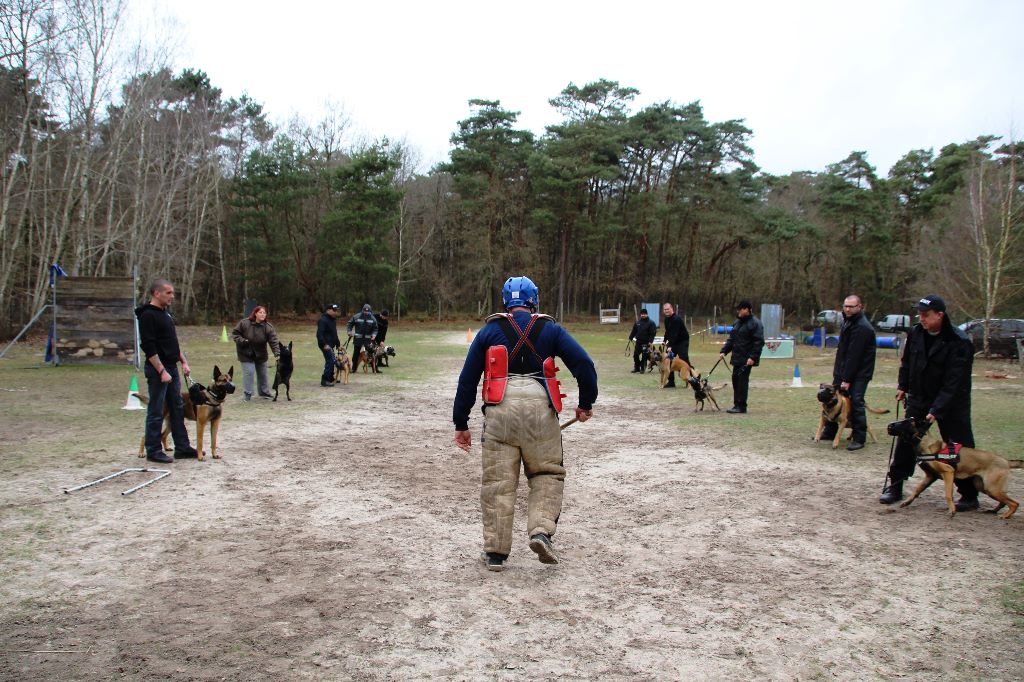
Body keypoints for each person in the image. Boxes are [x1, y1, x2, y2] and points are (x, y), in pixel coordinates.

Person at [453, 276, 598, 572]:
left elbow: (467, 381)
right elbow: (584, 365)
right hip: (540, 410)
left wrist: (461, 423)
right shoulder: (551, 329)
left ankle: (495, 553)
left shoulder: (488, 331)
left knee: (497, 483)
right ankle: (541, 532)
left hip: (499, 409)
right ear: (534, 301)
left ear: (506, 302)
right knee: (546, 474)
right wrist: (585, 403)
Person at [880, 294, 976, 507]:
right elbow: (906, 362)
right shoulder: (915, 333)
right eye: (919, 314)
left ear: (940, 315)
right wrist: (903, 385)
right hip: (919, 397)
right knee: (906, 439)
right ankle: (895, 484)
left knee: (957, 446)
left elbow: (954, 382)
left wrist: (937, 409)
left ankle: (969, 494)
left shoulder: (959, 342)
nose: (921, 318)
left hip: (952, 403)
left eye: (926, 315)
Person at [134, 278, 199, 463]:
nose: (172, 296)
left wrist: (183, 362)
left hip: (172, 366)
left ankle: (182, 447)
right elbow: (149, 346)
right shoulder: (148, 315)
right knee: (157, 409)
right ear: (157, 293)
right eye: (168, 293)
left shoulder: (166, 314)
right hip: (158, 370)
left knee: (177, 407)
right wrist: (162, 371)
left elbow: (173, 342)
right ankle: (153, 450)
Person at [820, 295, 876, 451]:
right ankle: (829, 432)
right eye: (845, 306)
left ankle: (859, 438)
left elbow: (854, 355)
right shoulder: (848, 322)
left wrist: (847, 378)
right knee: (833, 398)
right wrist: (839, 374)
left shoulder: (862, 327)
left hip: (859, 373)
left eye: (851, 306)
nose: (848, 309)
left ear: (860, 306)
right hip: (843, 370)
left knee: (856, 402)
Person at [719, 300, 764, 414]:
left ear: (746, 309)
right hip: (737, 357)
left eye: (740, 309)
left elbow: (759, 342)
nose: (738, 311)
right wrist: (724, 351)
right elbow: (732, 339)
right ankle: (736, 404)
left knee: (742, 382)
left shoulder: (755, 324)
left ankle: (742, 406)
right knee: (735, 380)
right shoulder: (737, 323)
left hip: (747, 358)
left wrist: (752, 357)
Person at [231, 305, 282, 401]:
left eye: (264, 313)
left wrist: (277, 354)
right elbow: (235, 334)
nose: (263, 314)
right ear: (255, 313)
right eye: (260, 312)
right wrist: (243, 341)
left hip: (261, 354)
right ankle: (247, 394)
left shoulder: (268, 327)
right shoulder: (244, 323)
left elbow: (273, 341)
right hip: (246, 353)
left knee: (263, 373)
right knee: (249, 373)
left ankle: (264, 392)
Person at [661, 302, 690, 387]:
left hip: (682, 341)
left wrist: (670, 346)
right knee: (668, 360)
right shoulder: (667, 319)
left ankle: (692, 380)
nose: (666, 311)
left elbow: (675, 334)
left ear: (672, 309)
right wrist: (664, 340)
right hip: (673, 341)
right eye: (665, 309)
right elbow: (668, 331)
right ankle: (671, 382)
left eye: (668, 309)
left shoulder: (676, 319)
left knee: (684, 359)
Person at [347, 304, 378, 372]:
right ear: (362, 310)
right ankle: (354, 369)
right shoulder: (356, 316)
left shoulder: (373, 318)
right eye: (365, 311)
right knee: (356, 354)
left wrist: (374, 334)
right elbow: (350, 323)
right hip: (358, 339)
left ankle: (374, 369)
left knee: (371, 353)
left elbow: (375, 328)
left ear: (370, 311)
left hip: (368, 339)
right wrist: (349, 332)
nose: (366, 312)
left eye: (368, 311)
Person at [316, 304, 341, 387]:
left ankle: (330, 377)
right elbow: (319, 334)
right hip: (325, 345)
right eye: (334, 310)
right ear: (328, 310)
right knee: (330, 361)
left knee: (333, 360)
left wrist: (338, 344)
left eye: (336, 310)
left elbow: (334, 333)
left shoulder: (333, 320)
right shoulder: (323, 320)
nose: (335, 312)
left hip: (331, 344)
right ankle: (325, 380)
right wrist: (324, 344)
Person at [628, 308, 657, 373]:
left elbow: (653, 333)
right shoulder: (637, 322)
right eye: (642, 314)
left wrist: (650, 342)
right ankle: (637, 367)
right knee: (635, 355)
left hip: (646, 343)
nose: (643, 315)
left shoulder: (651, 323)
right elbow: (634, 331)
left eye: (644, 314)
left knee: (644, 356)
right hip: (638, 342)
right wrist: (631, 337)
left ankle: (642, 368)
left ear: (647, 314)